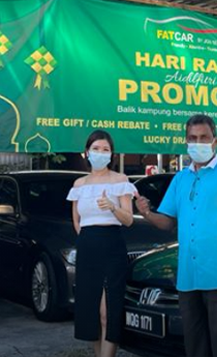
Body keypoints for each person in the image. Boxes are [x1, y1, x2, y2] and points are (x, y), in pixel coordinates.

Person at [135, 114, 217, 357]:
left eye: (204, 138)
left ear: (215, 141)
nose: (198, 142)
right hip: (188, 277)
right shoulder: (181, 178)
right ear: (186, 141)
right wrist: (147, 213)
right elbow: (168, 221)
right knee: (194, 346)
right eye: (192, 138)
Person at [67, 130, 135, 357]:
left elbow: (129, 220)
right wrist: (87, 240)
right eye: (96, 149)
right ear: (86, 153)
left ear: (111, 154)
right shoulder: (79, 184)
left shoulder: (120, 181)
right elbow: (77, 220)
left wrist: (112, 207)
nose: (100, 153)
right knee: (92, 314)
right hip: (87, 248)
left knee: (108, 312)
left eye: (105, 149)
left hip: (112, 247)